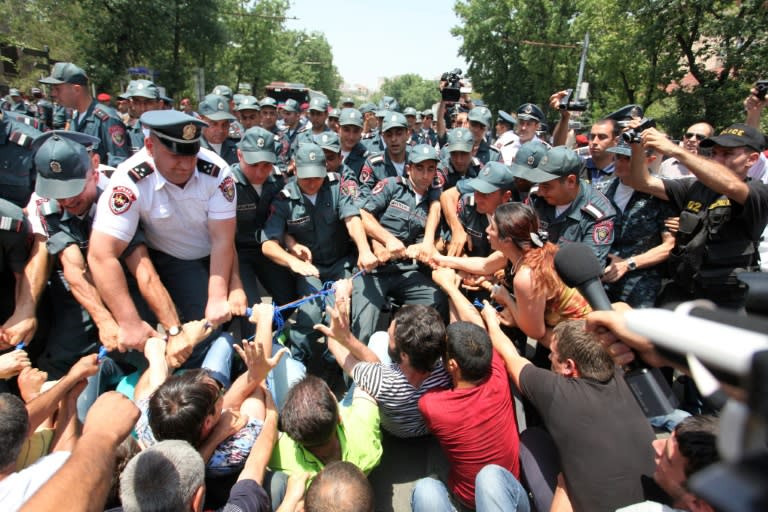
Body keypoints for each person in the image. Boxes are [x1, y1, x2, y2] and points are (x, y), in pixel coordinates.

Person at [89, 110, 236, 360]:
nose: (186, 165)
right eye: (175, 156)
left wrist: (217, 297)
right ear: (149, 146)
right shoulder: (129, 180)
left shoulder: (216, 172)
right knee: (183, 334)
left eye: (191, 154)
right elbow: (101, 254)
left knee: (219, 321)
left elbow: (223, 238)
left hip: (215, 253)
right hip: (168, 256)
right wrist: (129, 322)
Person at [481, 308, 657, 512]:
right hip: (649, 501)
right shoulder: (625, 375)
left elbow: (511, 357)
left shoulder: (556, 392)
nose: (548, 357)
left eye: (553, 354)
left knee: (530, 439)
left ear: (569, 366)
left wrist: (490, 321)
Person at [625, 122, 768, 309]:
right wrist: (637, 146)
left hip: (724, 298)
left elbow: (732, 187)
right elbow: (641, 182)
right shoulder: (693, 186)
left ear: (752, 159)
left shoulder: (759, 193)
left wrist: (675, 150)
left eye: (727, 154)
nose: (717, 159)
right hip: (683, 289)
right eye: (714, 153)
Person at [261, 143, 376, 373]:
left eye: (317, 176)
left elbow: (352, 219)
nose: (312, 182)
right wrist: (292, 260)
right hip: (309, 268)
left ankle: (336, 362)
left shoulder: (336, 186)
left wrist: (364, 249)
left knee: (341, 311)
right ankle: (298, 359)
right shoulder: (284, 198)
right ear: (295, 170)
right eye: (306, 177)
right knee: (309, 313)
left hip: (340, 264)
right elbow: (268, 244)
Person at [436, 202, 590, 347]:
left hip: (576, 339)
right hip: (558, 326)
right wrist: (440, 259)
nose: (487, 230)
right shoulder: (525, 248)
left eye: (493, 228)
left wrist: (508, 300)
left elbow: (535, 332)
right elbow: (484, 265)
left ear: (507, 240)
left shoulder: (527, 277)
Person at [412, 321, 526, 512]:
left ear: (452, 364)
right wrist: (451, 291)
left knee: (426, 489)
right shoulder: (497, 374)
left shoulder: (432, 406)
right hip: (508, 489)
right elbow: (471, 318)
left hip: (468, 498)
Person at [316, 281, 450, 438]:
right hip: (423, 429)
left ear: (404, 355)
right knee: (380, 339)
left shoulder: (381, 381)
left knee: (378, 340)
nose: (388, 332)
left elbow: (334, 344)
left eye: (392, 336)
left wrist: (340, 299)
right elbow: (375, 367)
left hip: (395, 431)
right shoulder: (447, 367)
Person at [353, 144, 448, 345]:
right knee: (364, 328)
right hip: (374, 269)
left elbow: (432, 242)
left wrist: (421, 249)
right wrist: (386, 240)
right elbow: (364, 215)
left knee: (435, 298)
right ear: (409, 169)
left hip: (406, 270)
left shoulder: (432, 204)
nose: (425, 174)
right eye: (419, 168)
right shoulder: (391, 185)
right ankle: (356, 375)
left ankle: (416, 361)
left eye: (430, 169)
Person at [267, 375, 382, 502]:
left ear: (292, 437)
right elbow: (367, 387)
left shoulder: (279, 456)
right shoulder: (365, 434)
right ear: (339, 417)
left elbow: (263, 439)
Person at [509, 145, 617, 265]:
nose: (540, 191)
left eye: (546, 186)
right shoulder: (536, 197)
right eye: (539, 184)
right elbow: (520, 243)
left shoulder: (599, 215)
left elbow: (587, 268)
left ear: (570, 181)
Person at [600, 141, 676, 307]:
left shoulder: (662, 192)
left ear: (650, 160)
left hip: (641, 281)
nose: (620, 163)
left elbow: (669, 245)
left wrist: (628, 264)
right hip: (602, 276)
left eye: (628, 158)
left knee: (634, 331)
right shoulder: (601, 190)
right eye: (618, 157)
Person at [231, 127, 296, 308]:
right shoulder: (227, 183)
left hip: (268, 248)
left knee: (290, 298)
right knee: (251, 309)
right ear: (239, 155)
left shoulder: (276, 179)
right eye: (253, 165)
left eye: (266, 165)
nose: (260, 173)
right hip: (238, 252)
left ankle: (273, 332)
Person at [39, 62, 129, 167]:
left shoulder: (106, 119)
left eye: (57, 89)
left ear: (76, 89)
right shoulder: (76, 116)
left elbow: (119, 162)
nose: (53, 94)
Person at [198, 93, 238, 165]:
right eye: (214, 123)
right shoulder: (194, 149)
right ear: (201, 120)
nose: (220, 130)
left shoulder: (235, 148)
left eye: (224, 124)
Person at [123, 80, 161, 153]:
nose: (142, 108)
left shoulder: (170, 132)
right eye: (137, 102)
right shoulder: (128, 133)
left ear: (159, 104)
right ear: (132, 104)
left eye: (148, 102)